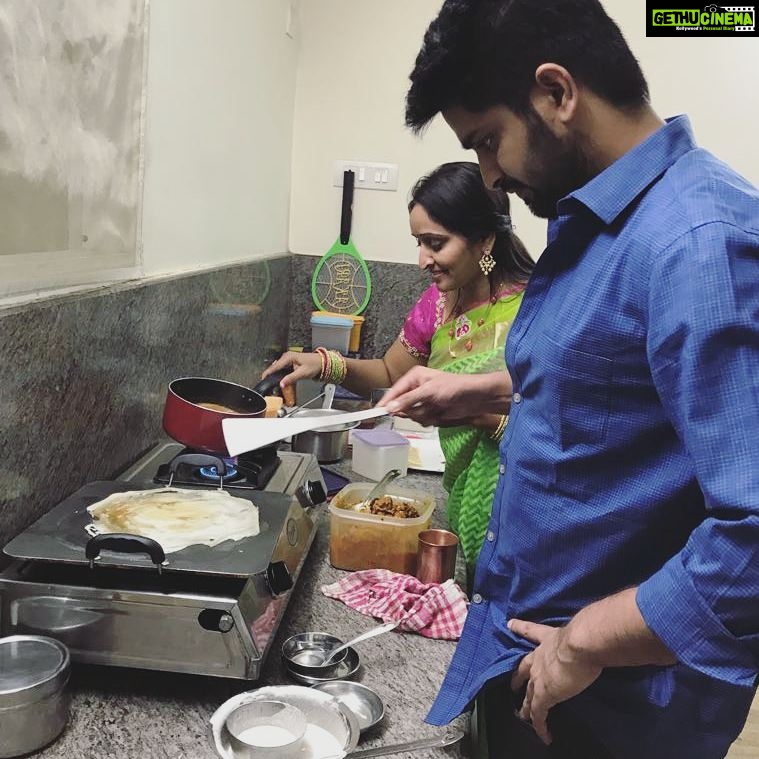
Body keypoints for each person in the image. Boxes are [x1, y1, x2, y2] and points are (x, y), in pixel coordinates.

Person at [380, 1, 759, 758]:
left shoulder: (700, 245)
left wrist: (584, 641)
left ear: (556, 93)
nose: (487, 177)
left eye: (488, 141)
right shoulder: (593, 225)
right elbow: (622, 399)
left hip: (616, 700)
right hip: (530, 659)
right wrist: (480, 390)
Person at [263, 162, 533, 569]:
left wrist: (481, 415)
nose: (423, 259)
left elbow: (561, 412)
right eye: (418, 243)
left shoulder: (535, 308)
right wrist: (323, 363)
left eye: (435, 243)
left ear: (484, 241)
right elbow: (391, 374)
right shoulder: (438, 305)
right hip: (464, 491)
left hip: (525, 498)